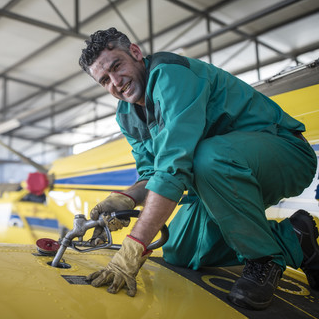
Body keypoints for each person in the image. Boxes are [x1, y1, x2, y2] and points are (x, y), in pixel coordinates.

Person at [78, 27, 319, 310]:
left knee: (207, 157)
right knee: (179, 250)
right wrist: (127, 197)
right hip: (218, 177)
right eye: (105, 80)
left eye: (117, 66)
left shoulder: (171, 75)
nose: (116, 83)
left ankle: (264, 259)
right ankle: (296, 239)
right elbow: (151, 172)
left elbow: (173, 166)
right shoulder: (127, 115)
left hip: (284, 155)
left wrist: (136, 244)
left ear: (135, 52)